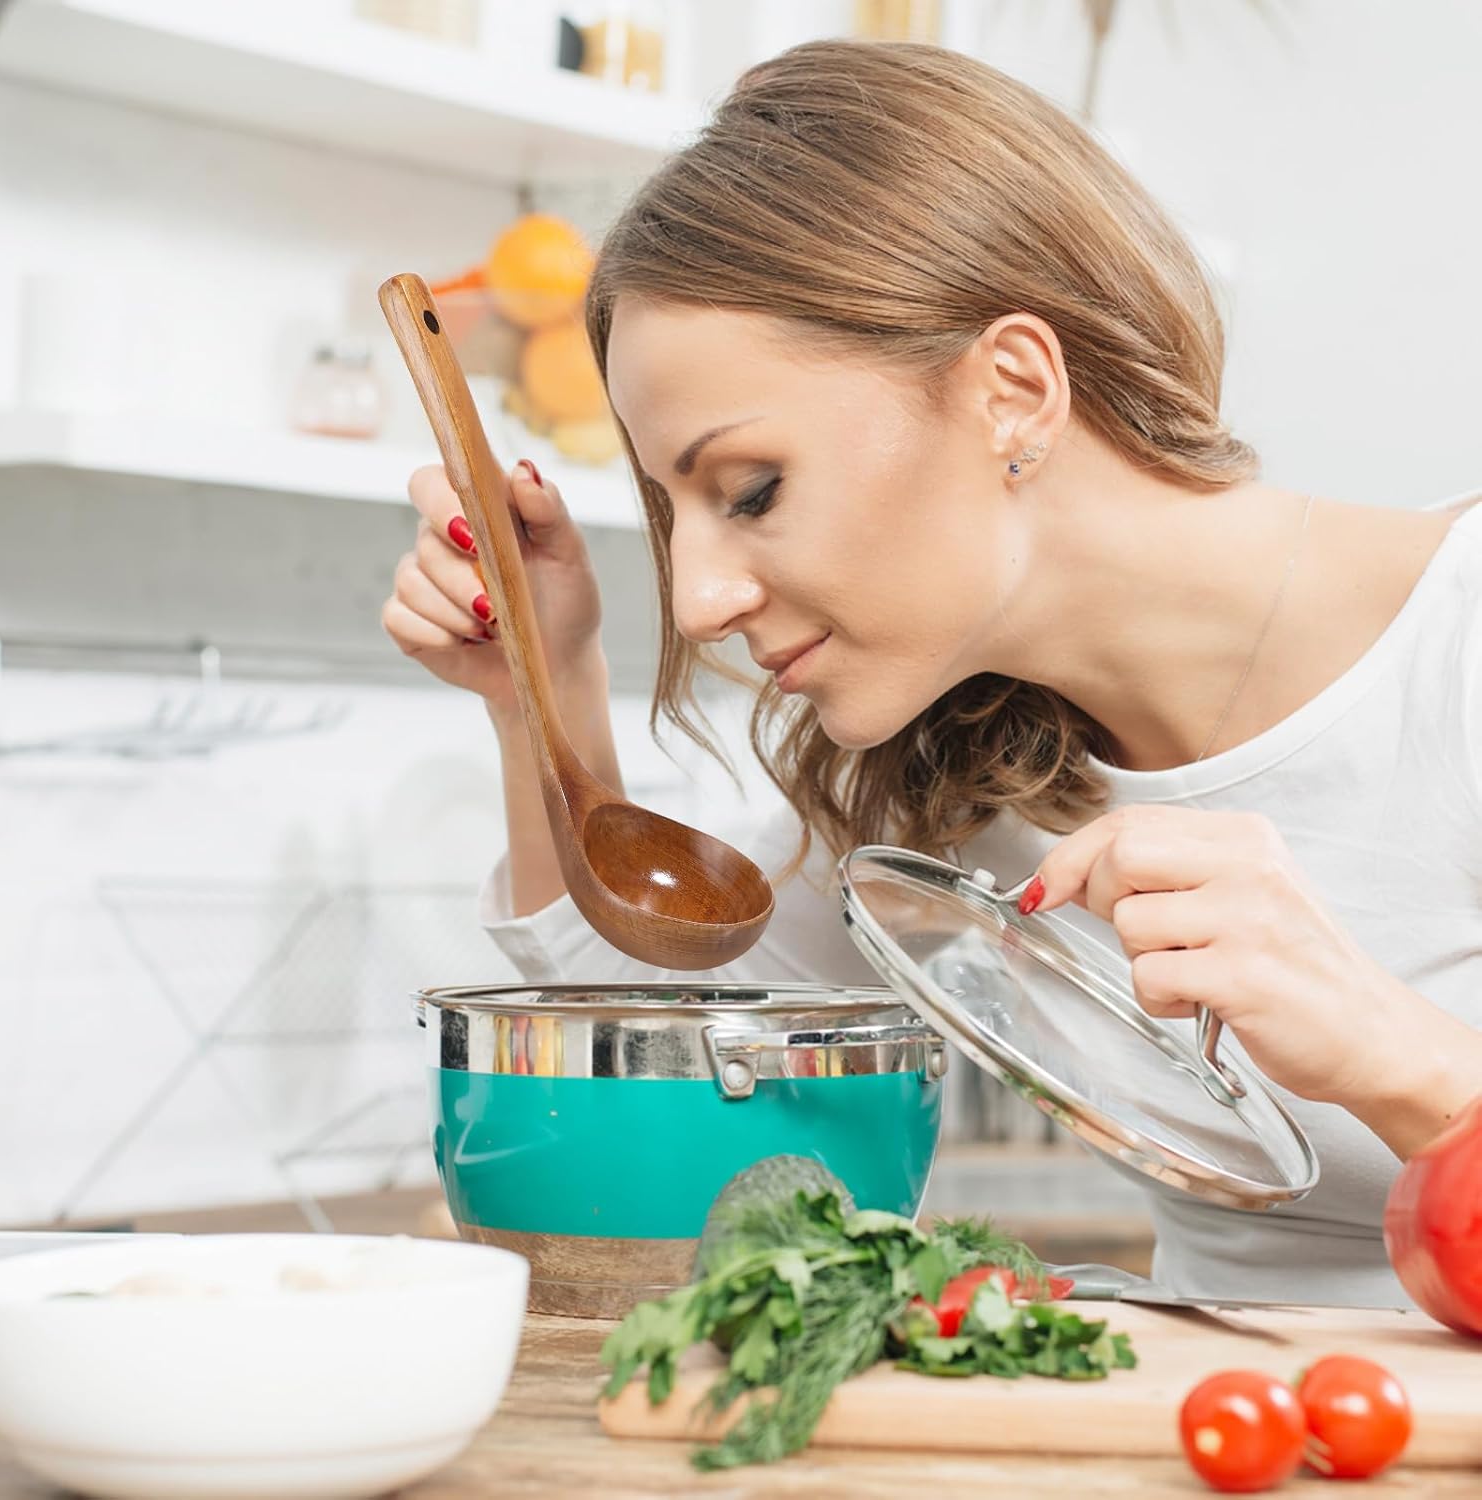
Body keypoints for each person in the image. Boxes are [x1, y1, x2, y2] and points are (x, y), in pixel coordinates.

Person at [381, 39, 1482, 1306]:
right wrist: (543, 687)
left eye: (753, 489)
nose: (697, 601)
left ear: (1011, 390)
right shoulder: (961, 767)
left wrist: (1409, 1066)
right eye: (675, 515)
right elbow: (646, 1044)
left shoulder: (1454, 650)